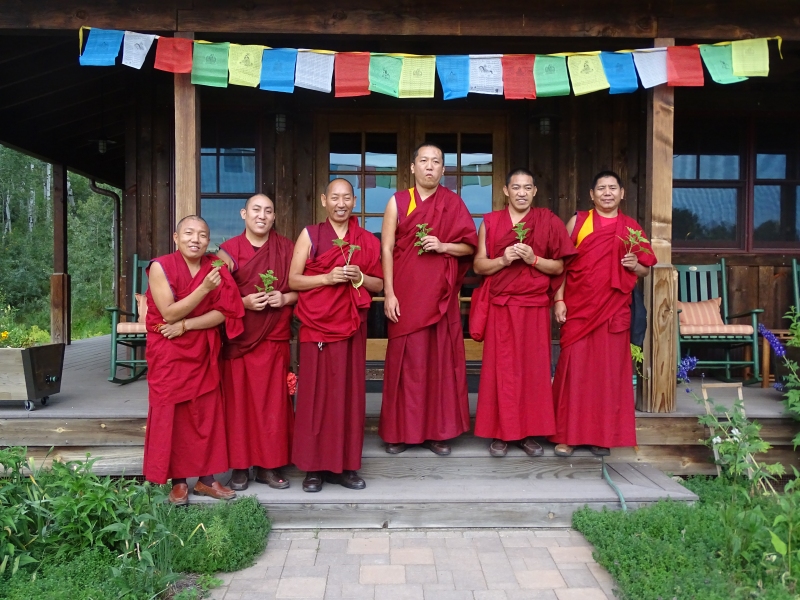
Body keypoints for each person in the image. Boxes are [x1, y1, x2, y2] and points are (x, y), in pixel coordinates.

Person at [379, 142, 478, 456]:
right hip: (406, 297)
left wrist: (443, 245)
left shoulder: (453, 203)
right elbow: (386, 249)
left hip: (439, 299)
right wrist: (389, 294)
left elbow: (470, 248)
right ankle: (399, 431)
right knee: (404, 364)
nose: (430, 166)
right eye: (424, 160)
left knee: (438, 364)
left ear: (443, 170)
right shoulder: (398, 202)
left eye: (436, 161)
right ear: (412, 167)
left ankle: (438, 431)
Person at [550, 171, 657, 457]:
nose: (607, 193)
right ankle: (567, 436)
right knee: (574, 373)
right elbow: (562, 264)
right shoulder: (579, 222)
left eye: (613, 188)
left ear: (623, 193)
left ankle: (602, 436)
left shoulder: (631, 228)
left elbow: (645, 269)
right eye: (601, 188)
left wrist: (635, 264)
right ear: (592, 194)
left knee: (608, 377)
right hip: (580, 310)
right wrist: (558, 300)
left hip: (612, 313)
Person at [472, 169, 577, 457]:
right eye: (516, 187)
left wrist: (534, 259)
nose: (521, 192)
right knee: (500, 371)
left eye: (527, 187)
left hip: (533, 307)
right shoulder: (491, 223)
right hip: (501, 307)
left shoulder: (548, 221)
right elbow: (479, 266)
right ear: (506, 191)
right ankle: (499, 434)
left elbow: (559, 267)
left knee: (534, 371)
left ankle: (529, 433)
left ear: (534, 192)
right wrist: (503, 260)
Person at [289, 178, 383, 492]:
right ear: (323, 200)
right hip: (317, 324)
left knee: (348, 396)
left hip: (351, 326)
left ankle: (345, 466)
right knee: (315, 397)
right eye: (334, 198)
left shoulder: (366, 239)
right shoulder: (311, 235)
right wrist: (328, 277)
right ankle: (313, 469)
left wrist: (360, 277)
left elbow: (379, 285)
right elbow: (294, 280)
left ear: (354, 202)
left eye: (346, 198)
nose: (340, 204)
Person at [143, 215, 245, 505]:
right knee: (173, 415)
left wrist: (187, 325)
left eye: (202, 235)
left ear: (208, 241)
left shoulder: (215, 267)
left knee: (206, 414)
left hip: (201, 350)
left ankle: (207, 479)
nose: (195, 239)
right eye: (188, 233)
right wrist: (203, 290)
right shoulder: (160, 267)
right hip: (169, 353)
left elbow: (227, 312)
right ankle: (178, 481)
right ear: (176, 238)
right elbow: (169, 314)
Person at [217, 194, 297, 491]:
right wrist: (243, 301)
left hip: (273, 338)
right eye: (256, 210)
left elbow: (302, 286)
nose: (261, 216)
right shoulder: (228, 252)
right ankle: (239, 466)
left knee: (272, 403)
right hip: (240, 340)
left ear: (275, 216)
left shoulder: (287, 249)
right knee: (239, 404)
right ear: (243, 214)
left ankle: (269, 465)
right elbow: (217, 295)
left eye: (268, 211)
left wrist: (285, 297)